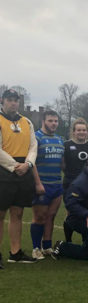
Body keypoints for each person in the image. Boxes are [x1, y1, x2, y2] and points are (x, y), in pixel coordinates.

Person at [0, 88, 38, 266]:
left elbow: (33, 146)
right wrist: (14, 166)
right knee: (0, 214)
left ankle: (15, 253)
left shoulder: (27, 122)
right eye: (9, 100)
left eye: (16, 100)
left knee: (18, 212)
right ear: (3, 101)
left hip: (24, 169)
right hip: (5, 170)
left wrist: (28, 164)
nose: (13, 103)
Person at [52, 153, 88, 267]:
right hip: (79, 219)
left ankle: (63, 247)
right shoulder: (81, 182)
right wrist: (87, 215)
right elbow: (70, 202)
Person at [30, 110, 65, 260]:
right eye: (50, 120)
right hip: (42, 185)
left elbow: (62, 163)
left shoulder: (59, 139)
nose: (53, 123)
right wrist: (37, 184)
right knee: (39, 217)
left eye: (56, 121)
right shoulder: (36, 138)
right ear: (43, 121)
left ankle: (47, 246)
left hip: (57, 184)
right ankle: (36, 248)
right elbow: (32, 163)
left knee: (51, 216)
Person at [62, 118, 88, 242]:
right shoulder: (67, 145)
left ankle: (85, 240)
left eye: (84, 130)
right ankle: (68, 241)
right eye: (79, 130)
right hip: (70, 183)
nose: (81, 132)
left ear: (87, 132)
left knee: (86, 211)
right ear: (74, 132)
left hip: (87, 184)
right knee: (71, 212)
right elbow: (63, 165)